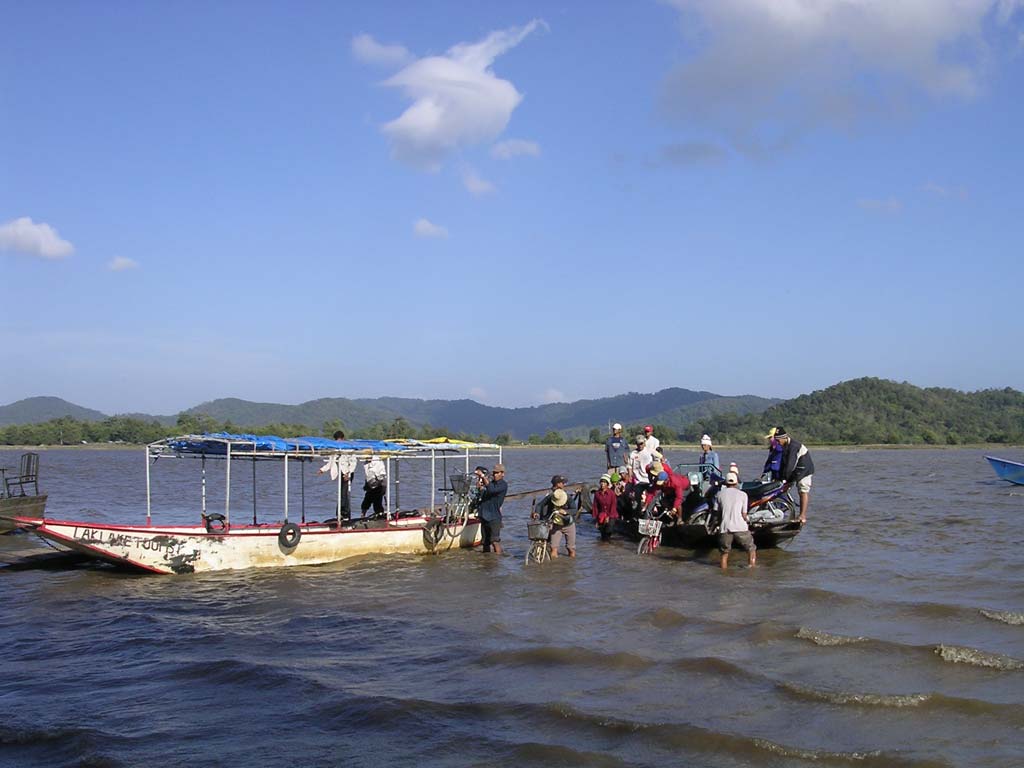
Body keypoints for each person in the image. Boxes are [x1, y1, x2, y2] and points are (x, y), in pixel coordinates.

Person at [713, 469, 756, 570]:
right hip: (740, 526)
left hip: (725, 527)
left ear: (725, 483)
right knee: (751, 549)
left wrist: (715, 524)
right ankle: (752, 568)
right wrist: (749, 522)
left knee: (724, 553)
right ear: (736, 482)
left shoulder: (719, 494)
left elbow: (716, 513)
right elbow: (744, 515)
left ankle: (724, 572)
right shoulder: (743, 495)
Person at [775, 428, 814, 523]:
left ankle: (802, 516)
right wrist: (780, 478)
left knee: (802, 490)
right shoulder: (784, 445)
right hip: (795, 470)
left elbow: (790, 465)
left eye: (778, 440)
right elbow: (783, 464)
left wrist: (786, 480)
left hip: (805, 470)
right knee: (782, 488)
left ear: (784, 438)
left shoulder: (794, 446)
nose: (777, 443)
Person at [317, 431, 357, 519]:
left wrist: (348, 473)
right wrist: (322, 469)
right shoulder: (334, 449)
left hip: (347, 472)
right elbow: (331, 462)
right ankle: (339, 513)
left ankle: (344, 512)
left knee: (344, 493)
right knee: (341, 493)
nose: (338, 442)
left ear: (343, 439)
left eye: (339, 440)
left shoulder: (348, 448)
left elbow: (353, 462)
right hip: (339, 473)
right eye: (336, 440)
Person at [475, 463, 507, 554]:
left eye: (497, 473)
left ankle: (497, 561)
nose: (494, 475)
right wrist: (480, 488)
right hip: (484, 515)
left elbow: (492, 490)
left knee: (495, 541)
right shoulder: (491, 483)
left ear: (502, 474)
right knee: (485, 542)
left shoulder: (503, 485)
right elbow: (484, 494)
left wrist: (483, 477)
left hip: (494, 517)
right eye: (494, 473)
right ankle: (487, 562)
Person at [547, 488, 576, 558]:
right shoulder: (551, 498)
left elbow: (574, 510)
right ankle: (554, 567)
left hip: (569, 525)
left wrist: (566, 512)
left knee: (570, 548)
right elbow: (540, 505)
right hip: (556, 526)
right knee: (553, 548)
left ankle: (572, 565)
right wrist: (536, 513)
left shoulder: (568, 498)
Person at [591, 474, 618, 541]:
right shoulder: (597, 494)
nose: (602, 484)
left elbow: (613, 505)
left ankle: (608, 545)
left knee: (608, 530)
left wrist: (609, 517)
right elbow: (595, 506)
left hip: (611, 514)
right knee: (603, 534)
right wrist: (596, 519)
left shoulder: (611, 493)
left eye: (604, 482)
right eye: (601, 482)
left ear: (607, 484)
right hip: (601, 515)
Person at [360, 452, 387, 517]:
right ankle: (363, 514)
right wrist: (366, 484)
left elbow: (382, 474)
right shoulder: (366, 463)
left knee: (377, 500)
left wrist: (379, 483)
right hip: (370, 484)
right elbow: (367, 475)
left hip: (379, 483)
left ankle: (379, 514)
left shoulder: (378, 461)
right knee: (366, 500)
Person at [627, 436, 652, 508]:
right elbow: (629, 466)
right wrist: (630, 476)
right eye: (638, 444)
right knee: (636, 498)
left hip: (648, 479)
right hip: (638, 480)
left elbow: (659, 458)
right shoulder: (633, 454)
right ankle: (636, 513)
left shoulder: (649, 452)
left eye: (641, 443)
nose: (640, 445)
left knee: (650, 496)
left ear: (644, 443)